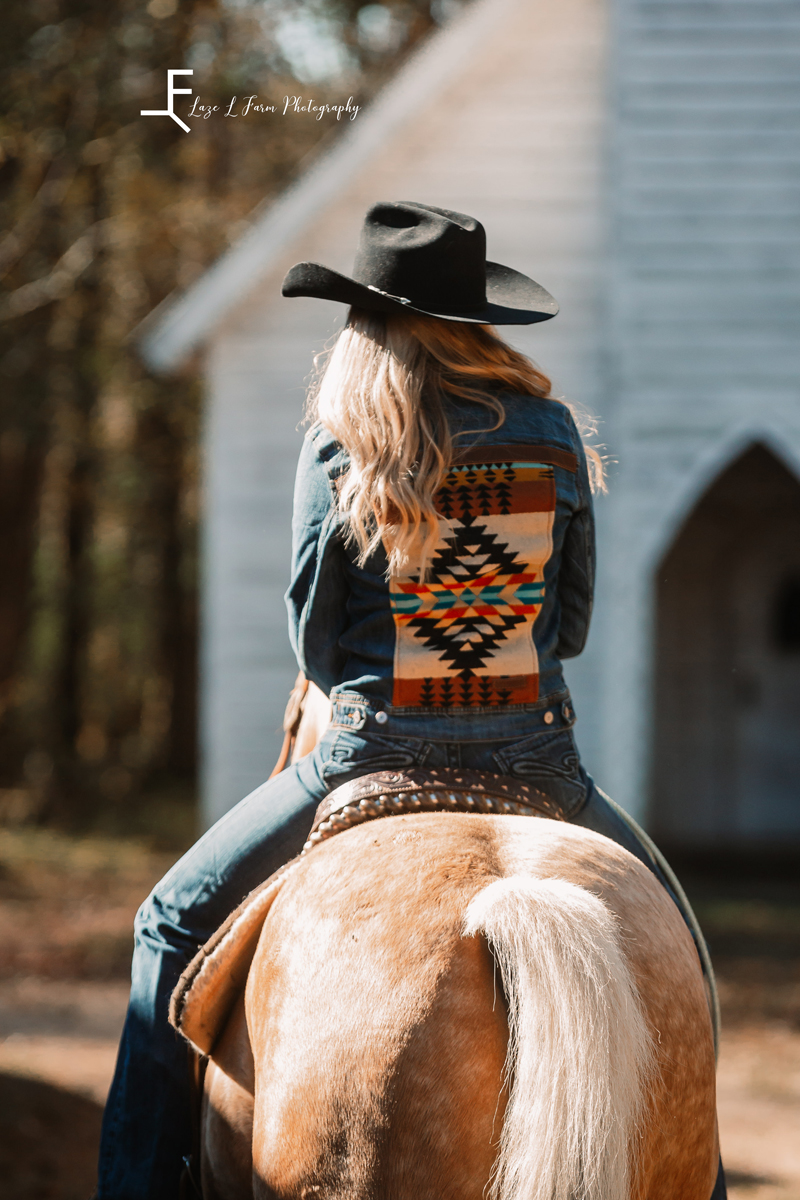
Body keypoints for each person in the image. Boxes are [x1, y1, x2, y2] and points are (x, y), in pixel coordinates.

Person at [96, 202, 724, 1200]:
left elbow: (313, 630)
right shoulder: (552, 432)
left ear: (368, 323)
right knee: (675, 955)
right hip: (540, 763)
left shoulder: (346, 437)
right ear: (475, 319)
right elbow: (567, 628)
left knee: (167, 924)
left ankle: (133, 1182)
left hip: (366, 752)